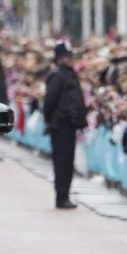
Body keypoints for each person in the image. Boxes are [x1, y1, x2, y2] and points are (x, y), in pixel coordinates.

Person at [43, 42, 86, 210]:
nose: (70, 59)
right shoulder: (58, 76)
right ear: (60, 59)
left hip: (70, 124)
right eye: (66, 57)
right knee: (62, 161)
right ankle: (61, 195)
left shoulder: (69, 75)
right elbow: (49, 101)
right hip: (61, 124)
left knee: (68, 161)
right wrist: (52, 120)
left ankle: (65, 194)